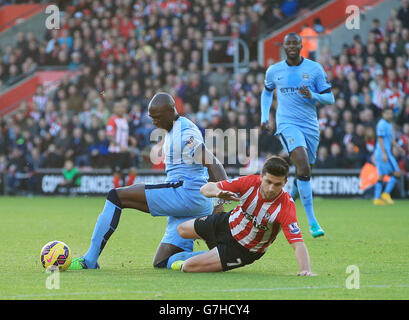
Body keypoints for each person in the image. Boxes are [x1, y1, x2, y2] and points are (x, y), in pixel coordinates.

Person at [69, 92, 228, 270]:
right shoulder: (174, 129)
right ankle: (218, 256)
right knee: (162, 261)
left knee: (116, 196)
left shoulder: (185, 133)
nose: (154, 122)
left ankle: (90, 260)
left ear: (170, 111)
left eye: (157, 117)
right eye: (151, 118)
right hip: (190, 202)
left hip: (185, 195)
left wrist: (219, 200)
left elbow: (213, 163)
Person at [168, 156, 315, 276]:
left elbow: (297, 243)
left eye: (277, 184)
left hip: (244, 249)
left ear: (285, 183)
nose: (271, 188)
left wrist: (305, 270)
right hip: (226, 222)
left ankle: (206, 258)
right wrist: (218, 193)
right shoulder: (250, 182)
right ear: (261, 177)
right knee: (181, 230)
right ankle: (211, 254)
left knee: (188, 267)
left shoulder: (286, 206)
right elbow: (205, 189)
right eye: (268, 182)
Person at [260, 32, 335, 238]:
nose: (292, 46)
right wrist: (265, 116)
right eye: (288, 44)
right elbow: (267, 92)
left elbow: (330, 98)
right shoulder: (274, 71)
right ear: (283, 47)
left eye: (295, 43)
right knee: (301, 165)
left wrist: (313, 95)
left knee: (306, 171)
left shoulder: (314, 69)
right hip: (286, 124)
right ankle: (312, 222)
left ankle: (289, 197)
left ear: (301, 45)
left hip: (310, 126)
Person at [373, 108, 403, 205]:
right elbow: (380, 139)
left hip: (384, 152)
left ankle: (377, 198)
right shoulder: (382, 124)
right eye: (388, 113)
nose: (390, 115)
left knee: (381, 175)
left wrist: (398, 148)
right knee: (397, 173)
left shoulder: (389, 125)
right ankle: (386, 193)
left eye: (391, 113)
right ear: (383, 114)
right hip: (383, 152)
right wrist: (384, 153)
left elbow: (391, 140)